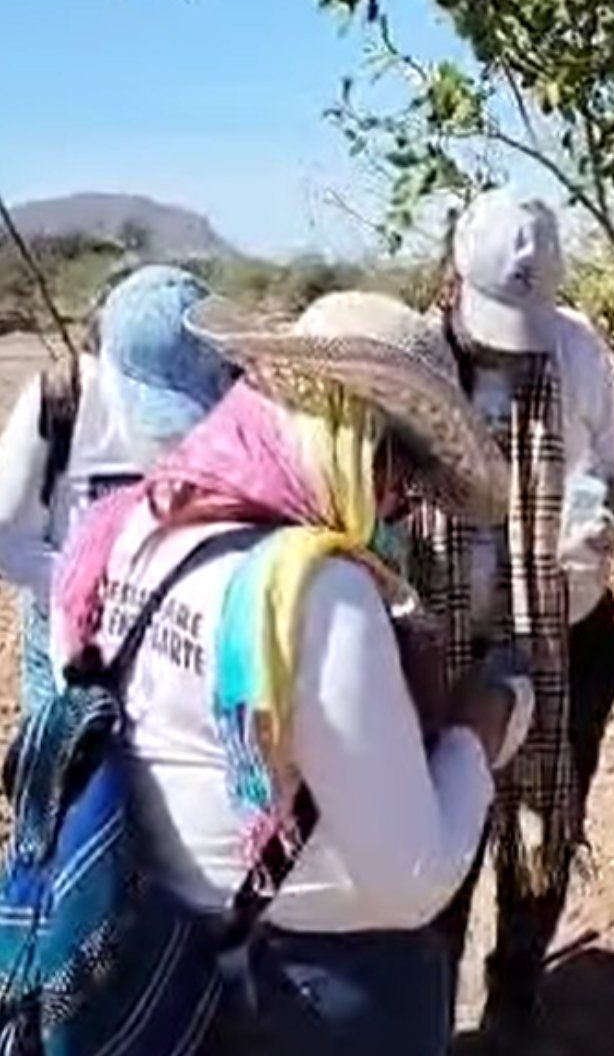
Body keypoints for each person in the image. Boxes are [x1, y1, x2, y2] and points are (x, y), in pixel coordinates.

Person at [48, 291, 528, 1053]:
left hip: (158, 964)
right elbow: (414, 878)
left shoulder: (127, 530)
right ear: (353, 438)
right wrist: (478, 732)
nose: (399, 501)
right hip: (313, 990)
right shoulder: (319, 594)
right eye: (400, 468)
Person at [419, 189, 614, 1047]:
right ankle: (429, 1002)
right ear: (451, 279)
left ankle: (515, 994)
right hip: (443, 638)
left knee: (543, 824)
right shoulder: (414, 358)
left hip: (568, 636)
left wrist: (603, 516)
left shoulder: (580, 353)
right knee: (445, 824)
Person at [0, 264, 233, 713]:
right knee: (70, 774)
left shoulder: (212, 400)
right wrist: (86, 583)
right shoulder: (59, 398)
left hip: (173, 633)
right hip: (69, 638)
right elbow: (6, 533)